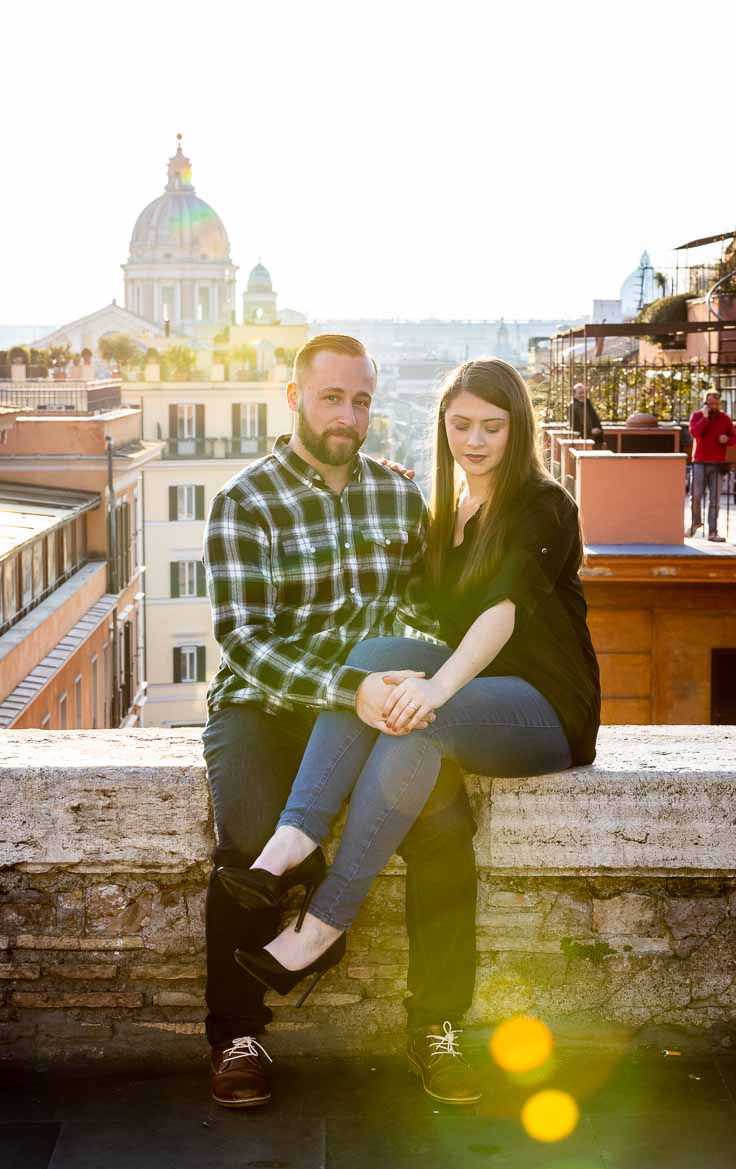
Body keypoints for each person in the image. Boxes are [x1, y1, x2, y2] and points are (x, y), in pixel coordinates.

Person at [221, 357, 601, 1102]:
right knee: (369, 662)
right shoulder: (444, 510)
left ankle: (323, 925)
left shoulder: (543, 504)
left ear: (517, 427)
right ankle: (295, 841)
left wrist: (433, 690)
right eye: (461, 425)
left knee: (414, 729)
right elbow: (421, 617)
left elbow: (501, 613)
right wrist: (393, 682)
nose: (476, 440)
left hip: (545, 706)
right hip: (470, 693)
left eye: (493, 426)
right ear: (442, 427)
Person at [202, 333, 478, 1109]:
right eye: (332, 397)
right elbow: (244, 642)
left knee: (446, 834)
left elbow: (425, 608)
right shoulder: (245, 500)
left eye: (361, 400)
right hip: (267, 705)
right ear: (294, 398)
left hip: (374, 710)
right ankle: (235, 1033)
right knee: (251, 845)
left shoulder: (398, 496)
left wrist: (401, 683)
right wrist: (344, 686)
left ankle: (438, 1025)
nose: (349, 415)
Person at [688, 390, 736, 542]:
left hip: (717, 464)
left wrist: (727, 439)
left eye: (716, 404)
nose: (714, 406)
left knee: (714, 500)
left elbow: (734, 437)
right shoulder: (697, 416)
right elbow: (695, 433)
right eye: (710, 403)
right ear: (705, 403)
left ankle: (713, 532)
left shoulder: (725, 419)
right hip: (699, 462)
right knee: (695, 496)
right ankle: (696, 522)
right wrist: (705, 418)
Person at [569, 382, 605, 448]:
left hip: (595, 440)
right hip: (581, 440)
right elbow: (574, 427)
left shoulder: (588, 404)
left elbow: (596, 420)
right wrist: (590, 431)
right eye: (580, 393)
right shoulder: (572, 407)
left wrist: (598, 429)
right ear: (574, 394)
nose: (582, 395)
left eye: (584, 393)